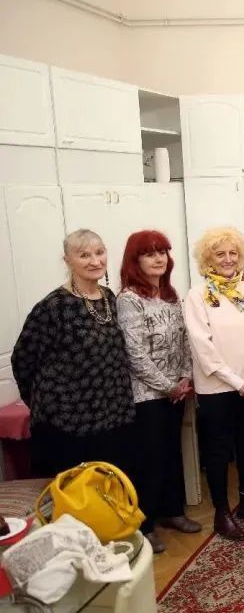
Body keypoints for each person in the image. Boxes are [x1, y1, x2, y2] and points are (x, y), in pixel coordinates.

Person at [12, 230, 136, 479]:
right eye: (84, 255)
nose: (95, 261)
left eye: (99, 252)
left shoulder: (109, 297)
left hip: (113, 415)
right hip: (68, 423)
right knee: (75, 493)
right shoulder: (53, 306)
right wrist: (44, 401)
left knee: (109, 489)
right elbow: (22, 359)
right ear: (67, 260)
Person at [184, 227, 244, 541]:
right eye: (220, 254)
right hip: (217, 389)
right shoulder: (197, 296)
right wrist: (238, 382)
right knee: (218, 452)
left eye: (233, 253)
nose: (227, 259)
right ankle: (221, 512)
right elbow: (203, 349)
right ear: (207, 259)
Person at [117, 230, 201, 554]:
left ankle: (173, 511)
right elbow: (134, 353)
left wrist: (185, 377)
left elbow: (183, 340)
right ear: (135, 260)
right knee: (150, 459)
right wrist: (168, 386)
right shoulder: (129, 299)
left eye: (162, 252)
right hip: (147, 395)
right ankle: (146, 525)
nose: (159, 259)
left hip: (176, 391)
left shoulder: (169, 295)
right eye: (150, 253)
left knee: (172, 453)